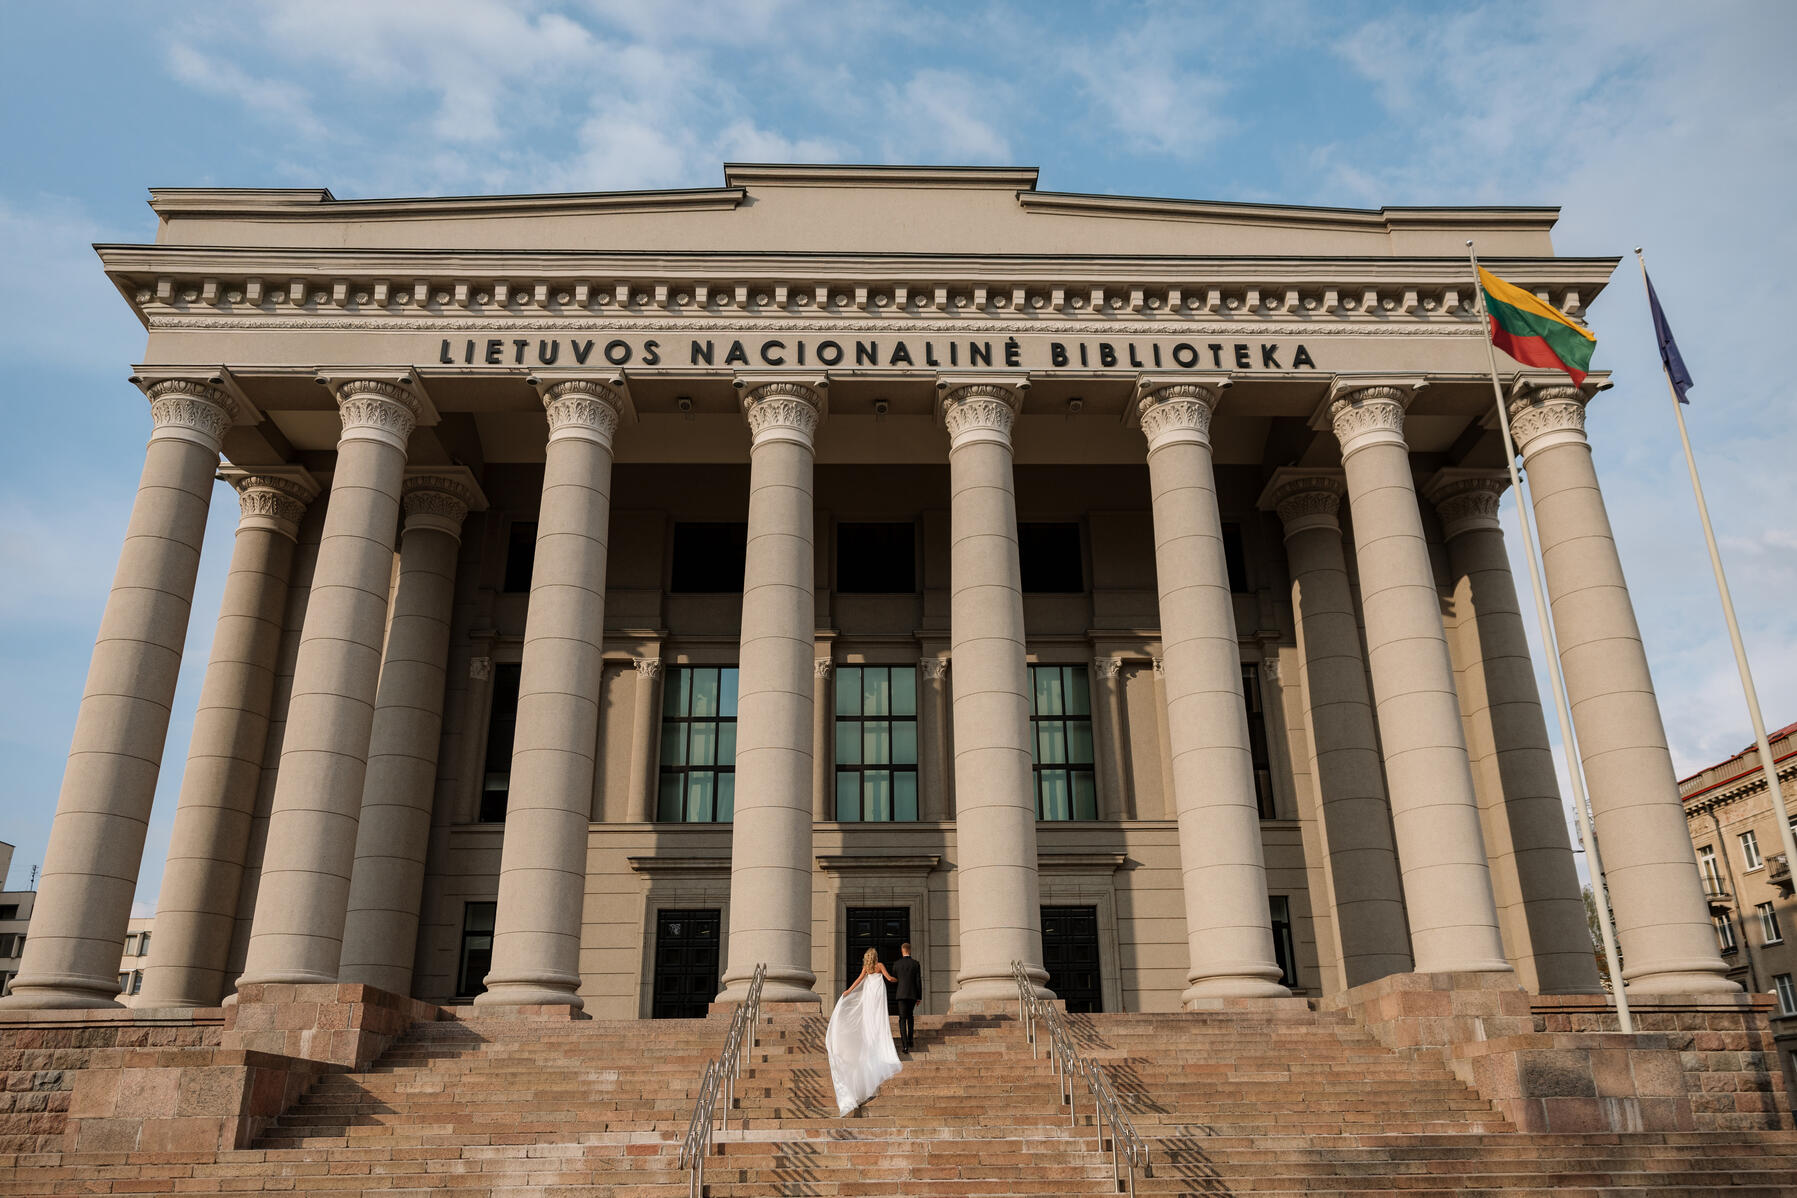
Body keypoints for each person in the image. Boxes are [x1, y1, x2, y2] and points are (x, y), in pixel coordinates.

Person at [825, 947, 902, 1116]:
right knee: (878, 1017)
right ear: (876, 956)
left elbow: (858, 981)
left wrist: (848, 991)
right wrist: (899, 979)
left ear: (867, 958)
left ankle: (871, 1037)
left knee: (870, 1017)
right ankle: (879, 1039)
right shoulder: (880, 965)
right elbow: (889, 978)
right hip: (877, 994)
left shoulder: (866, 968)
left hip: (869, 995)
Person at [891, 942, 922, 1053]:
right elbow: (918, 981)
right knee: (910, 1017)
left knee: (902, 1019)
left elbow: (894, 979)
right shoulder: (915, 964)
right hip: (912, 994)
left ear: (902, 950)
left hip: (901, 994)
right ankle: (910, 1040)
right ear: (910, 950)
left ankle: (905, 1046)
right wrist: (919, 997)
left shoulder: (897, 964)